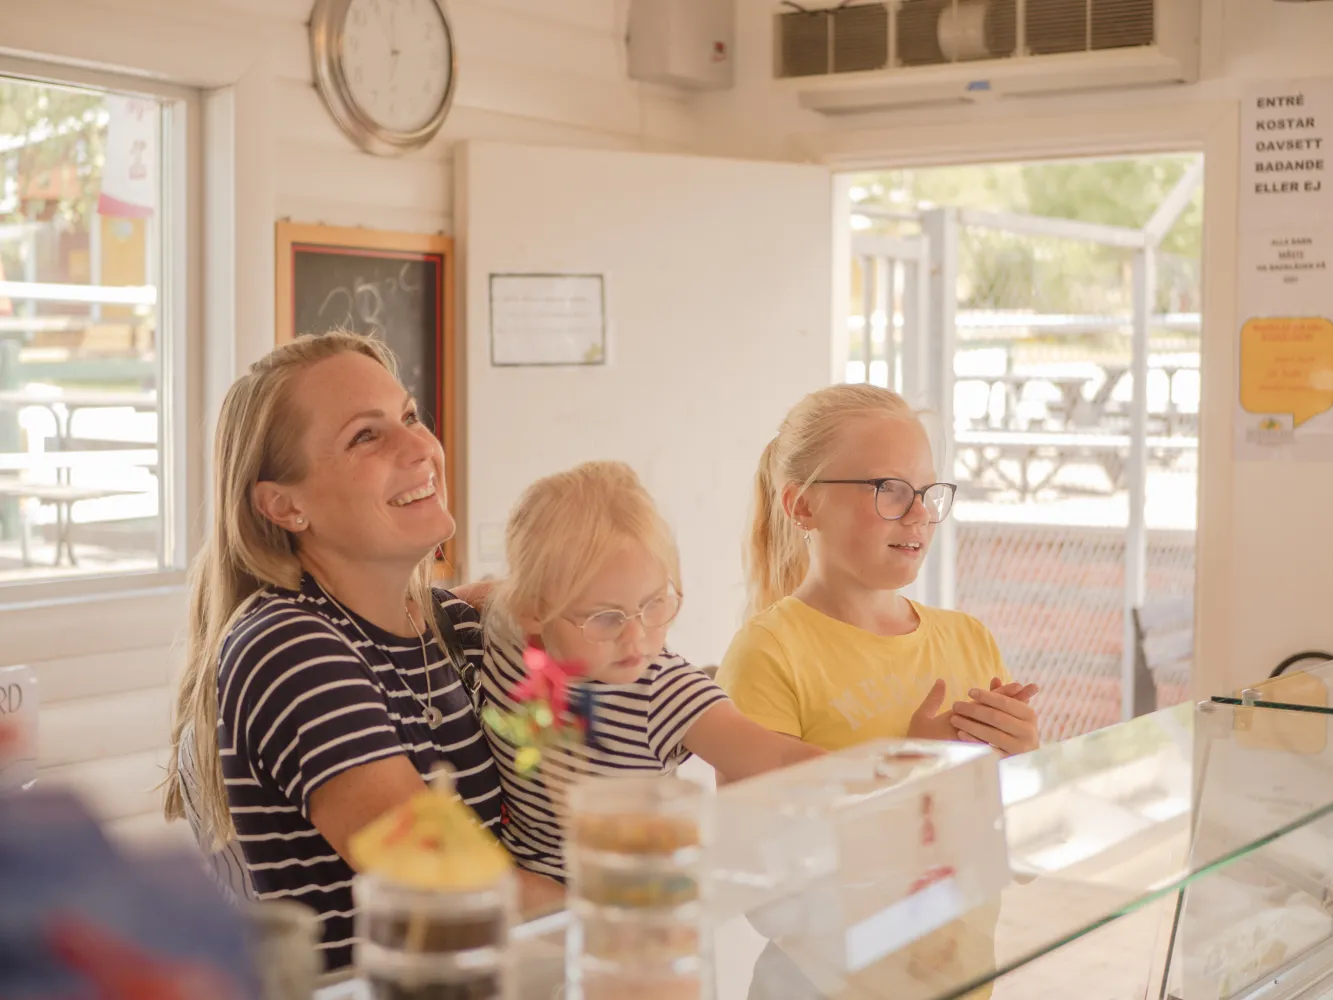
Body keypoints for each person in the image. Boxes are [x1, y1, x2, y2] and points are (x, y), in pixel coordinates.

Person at [161, 332, 558, 972]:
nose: (419, 447)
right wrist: (629, 901)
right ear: (285, 505)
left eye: (408, 416)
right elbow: (442, 876)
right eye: (364, 436)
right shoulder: (286, 647)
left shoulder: (447, 626)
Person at [473, 461, 823, 880]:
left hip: (636, 912)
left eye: (655, 603)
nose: (636, 638)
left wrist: (875, 776)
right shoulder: (504, 631)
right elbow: (476, 594)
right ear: (532, 612)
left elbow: (776, 757)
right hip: (524, 910)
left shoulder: (664, 690)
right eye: (606, 617)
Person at [718, 383, 1040, 755]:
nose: (921, 513)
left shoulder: (971, 638)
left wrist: (1025, 755)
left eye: (926, 490)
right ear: (803, 505)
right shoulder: (767, 656)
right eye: (889, 488)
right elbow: (754, 813)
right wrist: (915, 766)